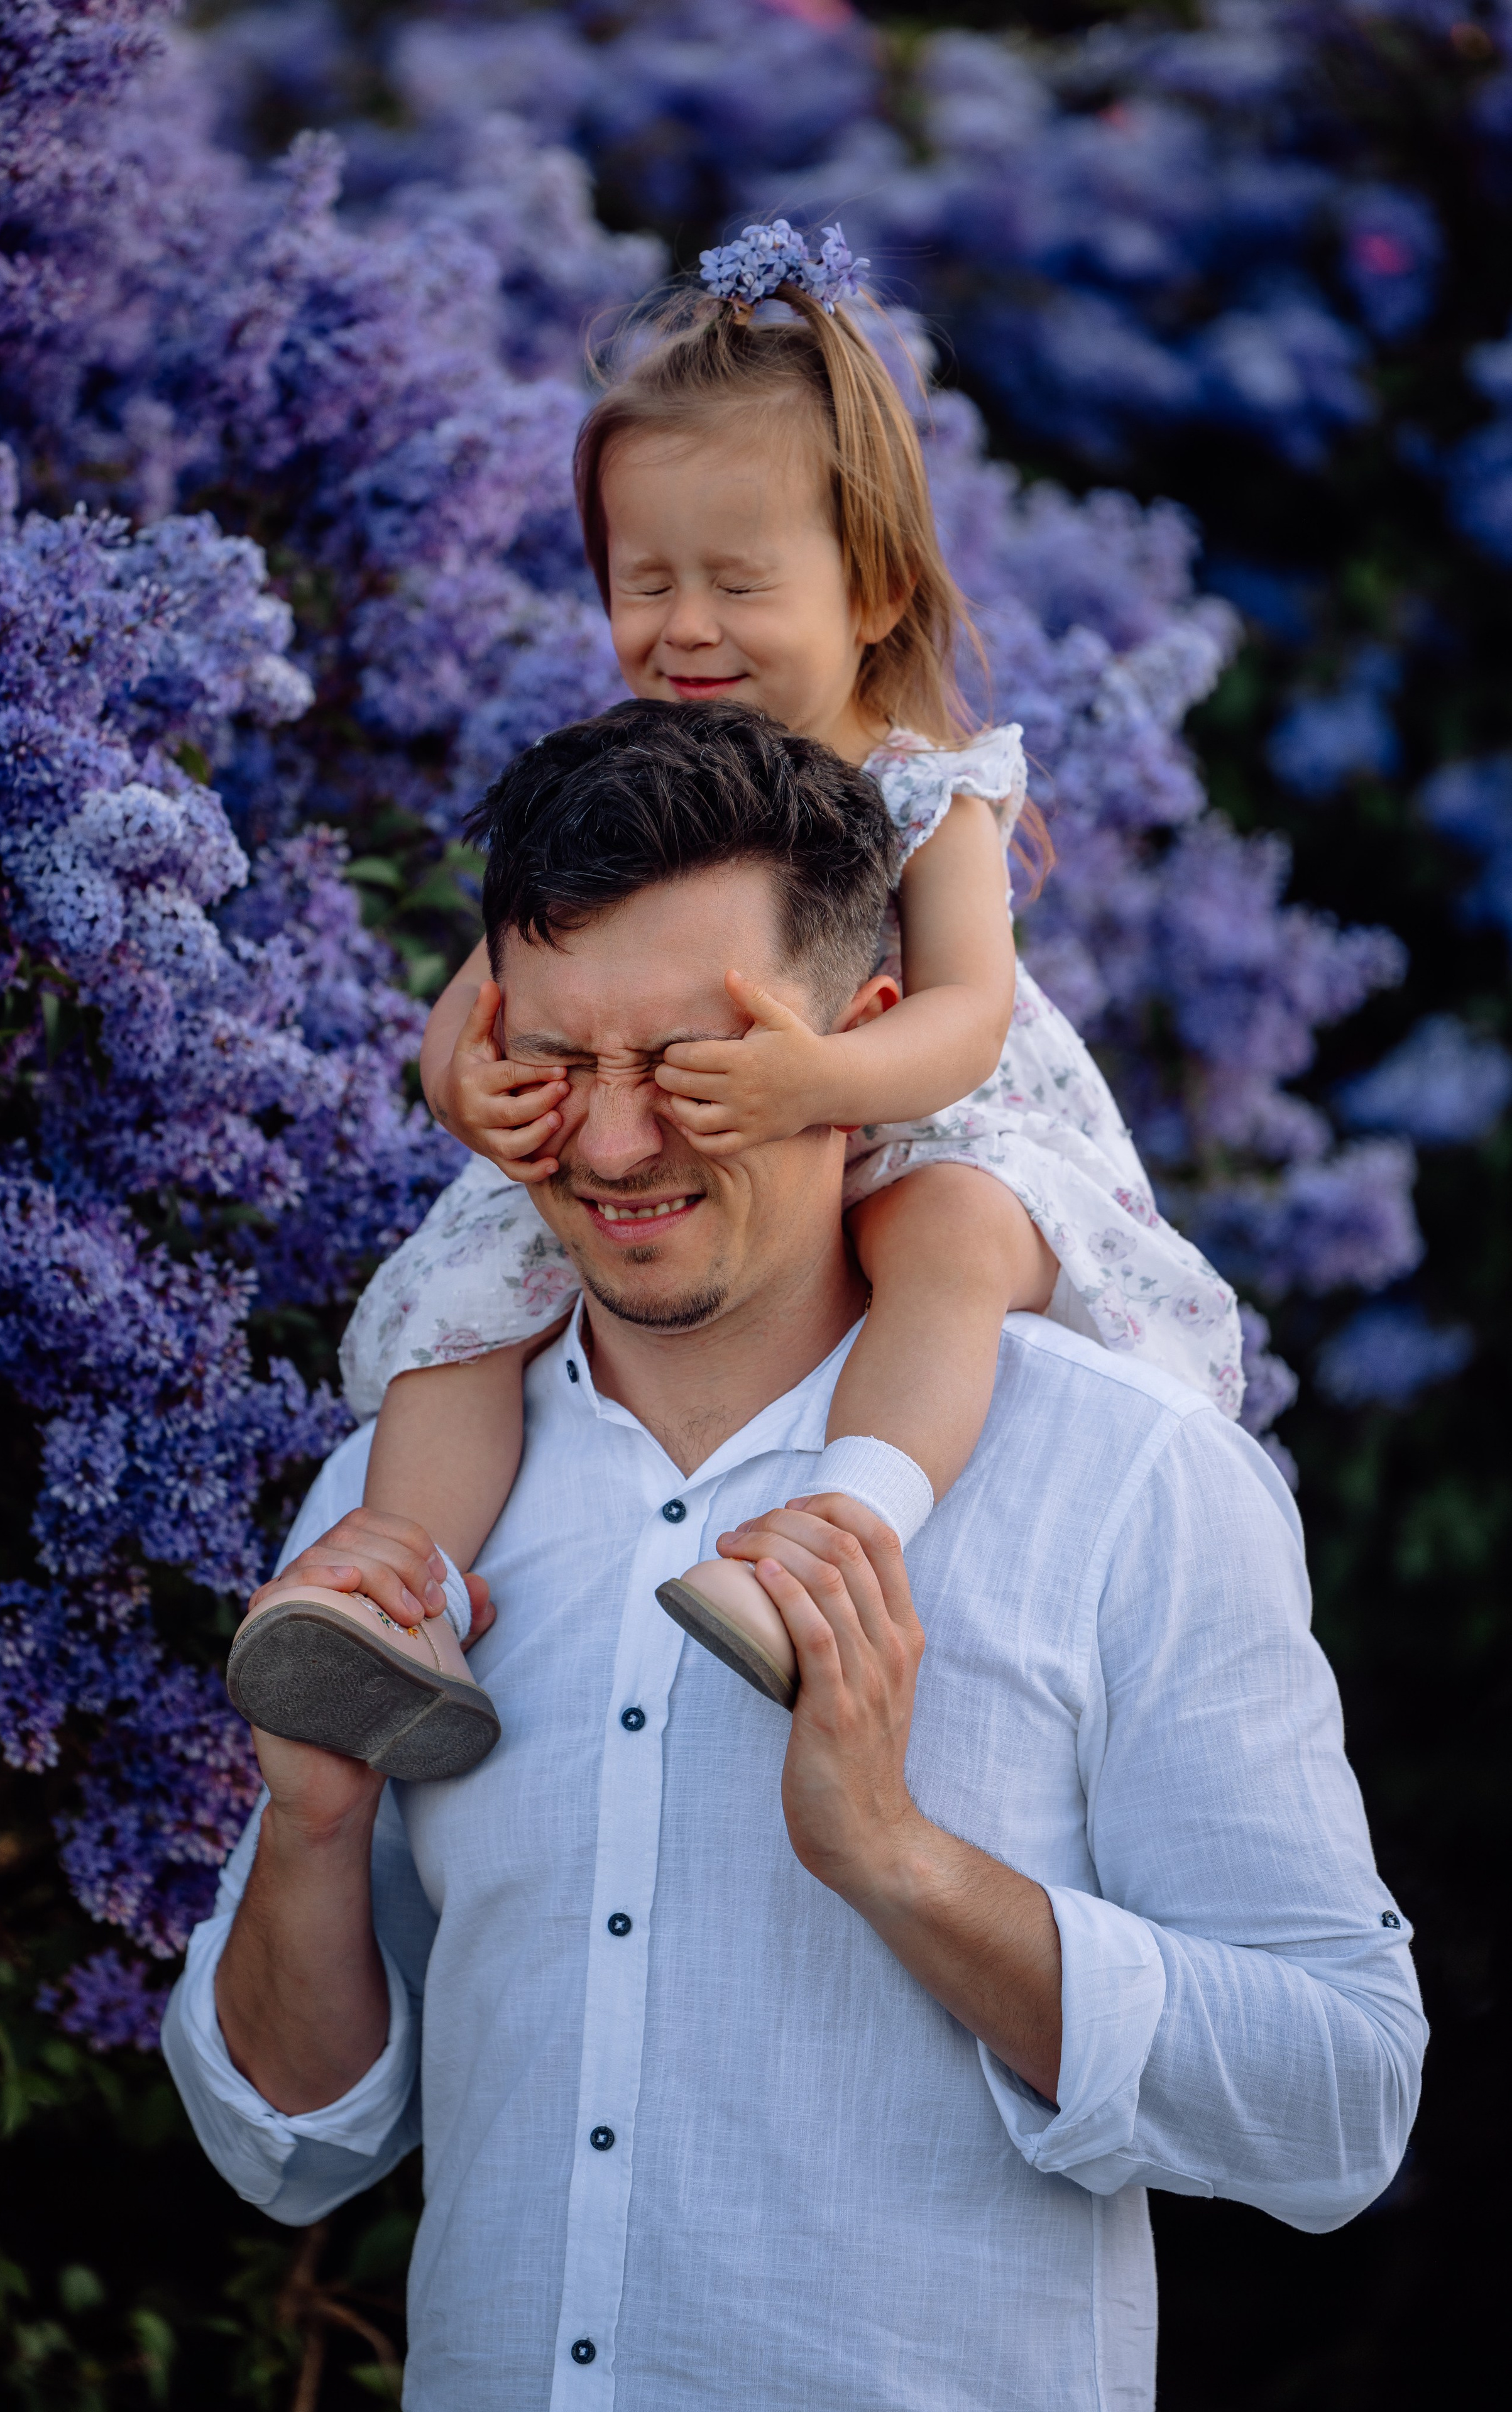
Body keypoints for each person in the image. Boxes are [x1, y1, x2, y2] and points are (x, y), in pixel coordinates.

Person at [167, 701, 1424, 2411]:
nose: (611, 1148)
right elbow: (282, 2148)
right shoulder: (390, 1511)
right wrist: (314, 1830)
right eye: (553, 1067)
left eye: (691, 1068)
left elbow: (1340, 2101)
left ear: (867, 1037)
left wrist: (904, 1862)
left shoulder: (1131, 1476)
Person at [227, 224, 1240, 1773]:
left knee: (951, 1235)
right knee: (469, 1295)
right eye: (644, 582)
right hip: (676, 1118)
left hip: (914, 1113)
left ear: (878, 584)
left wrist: (812, 1085)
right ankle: (392, 1590)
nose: (682, 628)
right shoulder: (630, 782)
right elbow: (479, 994)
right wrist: (470, 1091)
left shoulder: (925, 788)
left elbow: (964, 1014)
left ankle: (837, 1527)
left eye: (738, 583)